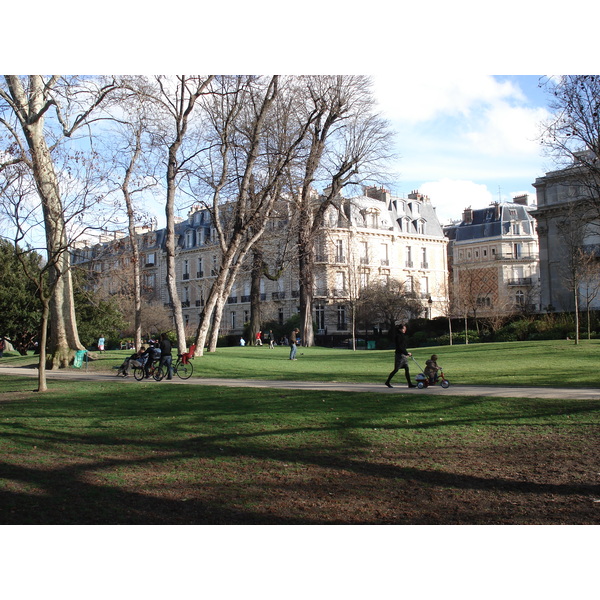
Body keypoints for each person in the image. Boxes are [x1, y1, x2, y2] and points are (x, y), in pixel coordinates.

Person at [385, 323, 416, 388]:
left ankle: (409, 384)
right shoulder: (398, 336)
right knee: (396, 369)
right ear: (400, 329)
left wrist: (406, 353)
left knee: (407, 368)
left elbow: (403, 347)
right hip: (399, 355)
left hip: (403, 355)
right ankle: (387, 382)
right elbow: (400, 347)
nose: (405, 330)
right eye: (404, 329)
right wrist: (406, 353)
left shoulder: (402, 336)